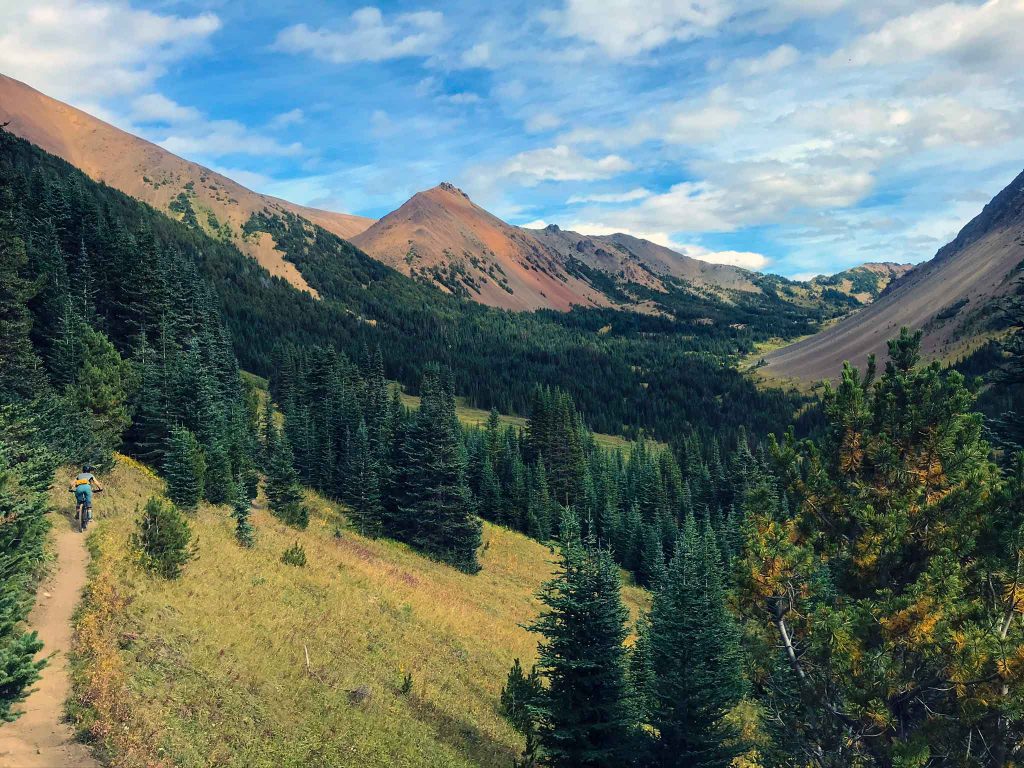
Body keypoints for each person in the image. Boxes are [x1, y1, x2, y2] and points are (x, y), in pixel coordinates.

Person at [69, 465, 103, 531]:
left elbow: (72, 483)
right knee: (88, 503)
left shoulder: (79, 475)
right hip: (87, 488)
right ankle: (90, 518)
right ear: (89, 470)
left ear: (83, 470)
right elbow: (96, 482)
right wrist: (100, 488)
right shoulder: (91, 475)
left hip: (79, 488)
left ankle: (78, 514)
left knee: (78, 503)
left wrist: (70, 489)